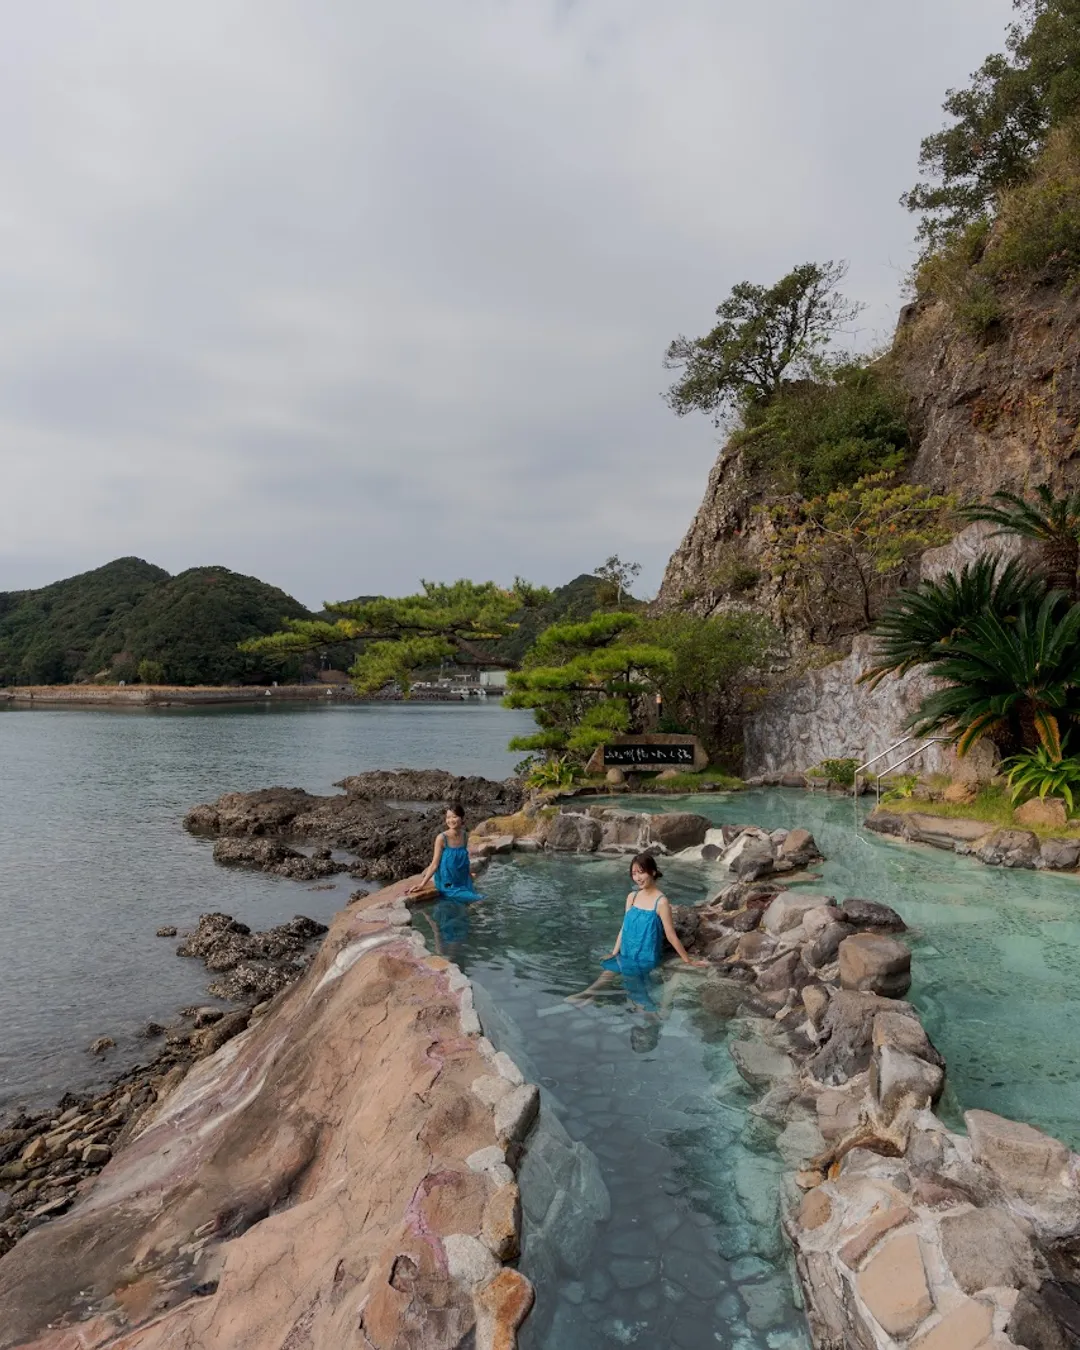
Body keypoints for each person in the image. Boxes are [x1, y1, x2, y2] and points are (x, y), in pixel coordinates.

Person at [568, 853, 707, 1010]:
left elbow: (670, 934)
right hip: (627, 951)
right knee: (609, 971)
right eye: (634, 873)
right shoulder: (632, 897)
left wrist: (688, 960)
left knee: (628, 978)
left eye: (641, 872)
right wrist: (614, 953)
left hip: (645, 956)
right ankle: (590, 995)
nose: (637, 877)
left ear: (653, 872)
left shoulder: (661, 902)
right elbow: (624, 928)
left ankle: (588, 995)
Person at [405, 802, 481, 902]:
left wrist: (469, 874)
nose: (450, 820)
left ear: (462, 818)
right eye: (448, 817)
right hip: (448, 882)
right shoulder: (442, 838)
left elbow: (463, 859)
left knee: (470, 906)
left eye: (454, 817)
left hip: (463, 879)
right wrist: (422, 884)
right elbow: (434, 864)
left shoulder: (465, 835)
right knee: (479, 900)